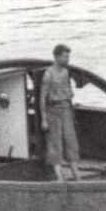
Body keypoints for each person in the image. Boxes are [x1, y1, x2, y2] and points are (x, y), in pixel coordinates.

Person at [39, 44, 80, 181]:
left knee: (71, 141)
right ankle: (59, 177)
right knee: (55, 143)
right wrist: (44, 119)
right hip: (53, 111)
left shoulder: (66, 72)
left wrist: (71, 112)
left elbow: (68, 94)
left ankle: (76, 174)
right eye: (65, 56)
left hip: (66, 110)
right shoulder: (48, 75)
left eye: (68, 56)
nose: (67, 59)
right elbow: (42, 98)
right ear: (57, 57)